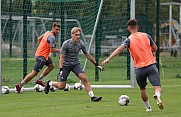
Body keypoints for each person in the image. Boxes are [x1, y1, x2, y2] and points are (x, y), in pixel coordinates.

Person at [102, 19, 164, 111]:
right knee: (157, 87)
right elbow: (155, 48)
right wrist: (148, 52)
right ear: (137, 27)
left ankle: (148, 108)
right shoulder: (146, 35)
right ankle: (157, 96)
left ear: (128, 28)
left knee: (142, 89)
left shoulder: (129, 40)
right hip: (151, 65)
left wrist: (109, 58)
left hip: (139, 69)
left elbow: (120, 49)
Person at [44, 27, 104, 102]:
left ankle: (92, 96)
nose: (78, 37)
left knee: (84, 79)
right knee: (62, 86)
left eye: (79, 35)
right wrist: (61, 70)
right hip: (66, 66)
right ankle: (50, 83)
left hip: (76, 65)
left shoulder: (81, 43)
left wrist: (96, 64)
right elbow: (62, 57)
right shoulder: (66, 44)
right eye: (76, 35)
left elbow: (87, 55)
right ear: (72, 34)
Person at [15, 22, 61, 93]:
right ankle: (20, 85)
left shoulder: (47, 33)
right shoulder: (52, 37)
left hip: (42, 55)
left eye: (59, 30)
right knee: (34, 73)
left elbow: (39, 39)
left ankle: (40, 79)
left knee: (51, 66)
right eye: (56, 29)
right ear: (53, 28)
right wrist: (61, 50)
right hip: (41, 57)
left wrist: (43, 47)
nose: (58, 31)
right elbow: (52, 50)